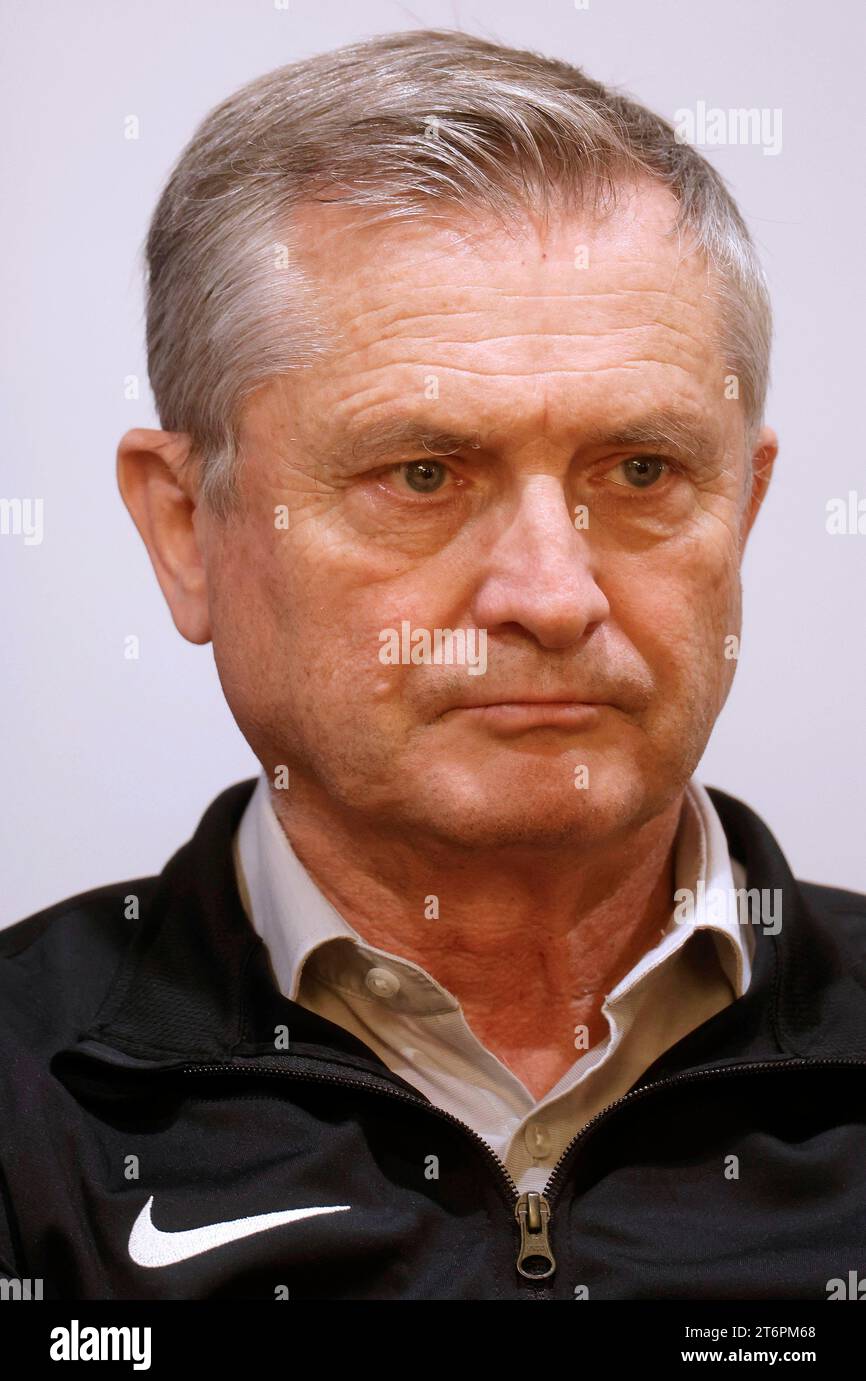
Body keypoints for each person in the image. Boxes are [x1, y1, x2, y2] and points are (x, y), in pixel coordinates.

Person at [2, 28, 864, 1302]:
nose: (551, 596)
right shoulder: (29, 1110)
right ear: (187, 529)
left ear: (739, 506)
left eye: (638, 472)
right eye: (421, 474)